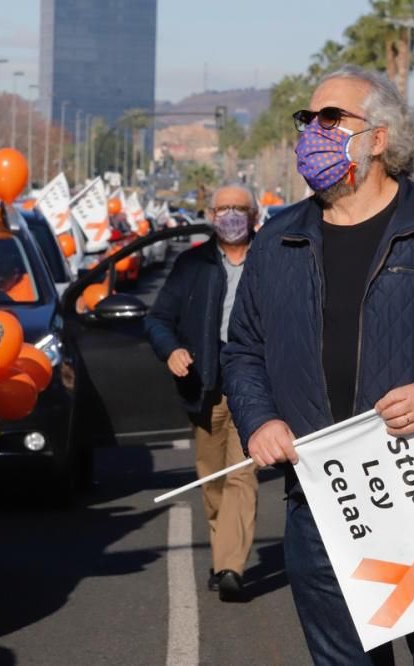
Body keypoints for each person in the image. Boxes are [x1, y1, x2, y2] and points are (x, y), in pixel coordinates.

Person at [221, 65, 414, 664]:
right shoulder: (277, 239)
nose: (312, 131)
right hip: (317, 500)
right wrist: (259, 420)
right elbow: (243, 351)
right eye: (306, 120)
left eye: (330, 119)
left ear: (379, 138)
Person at [145, 184, 260, 603]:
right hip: (206, 385)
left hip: (254, 385)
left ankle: (231, 566)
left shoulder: (271, 261)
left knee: (242, 474)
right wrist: (171, 350)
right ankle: (223, 552)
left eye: (239, 209)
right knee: (212, 478)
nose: (231, 215)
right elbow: (158, 318)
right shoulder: (192, 264)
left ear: (254, 216)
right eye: (223, 208)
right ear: (212, 214)